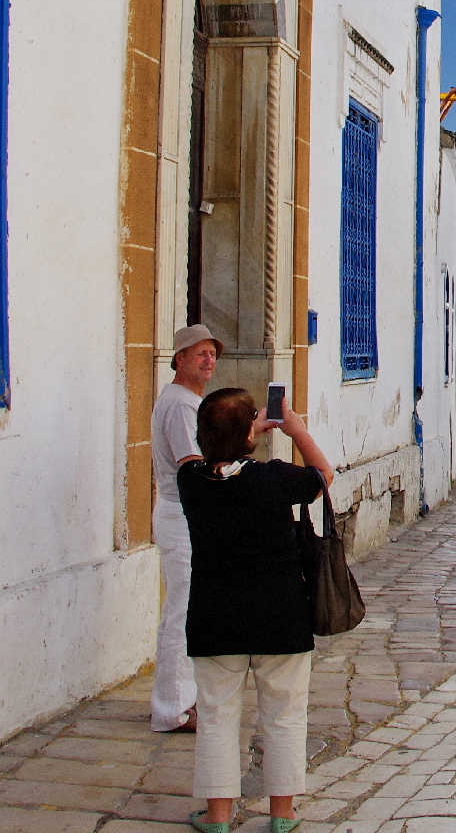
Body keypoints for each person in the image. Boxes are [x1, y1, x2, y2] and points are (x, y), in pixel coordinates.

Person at [178, 387, 333, 833]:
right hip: (280, 617)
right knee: (284, 716)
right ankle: (281, 815)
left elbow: (201, 459)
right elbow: (322, 474)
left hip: (214, 618)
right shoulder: (274, 478)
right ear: (250, 435)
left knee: (216, 718)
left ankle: (218, 816)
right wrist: (295, 428)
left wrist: (240, 431)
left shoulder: (190, 482)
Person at [149, 323, 221, 733]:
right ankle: (170, 709)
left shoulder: (189, 401)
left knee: (189, 608)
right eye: (199, 354)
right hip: (181, 516)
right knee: (181, 611)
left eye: (212, 354)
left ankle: (184, 700)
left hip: (185, 515)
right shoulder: (179, 405)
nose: (208, 360)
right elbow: (191, 465)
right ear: (179, 359)